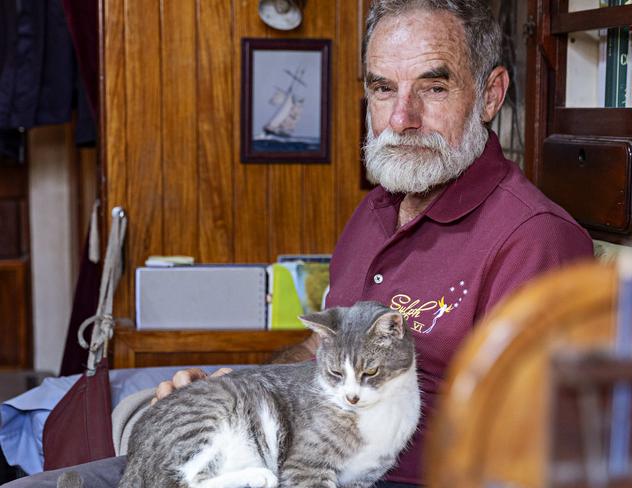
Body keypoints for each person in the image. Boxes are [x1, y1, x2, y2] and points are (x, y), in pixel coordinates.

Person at [4, 1, 593, 487]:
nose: (401, 118)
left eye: (433, 88)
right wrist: (234, 391)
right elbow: (320, 360)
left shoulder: (536, 238)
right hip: (278, 457)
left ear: (490, 96)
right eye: (383, 89)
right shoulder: (376, 207)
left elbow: (529, 453)